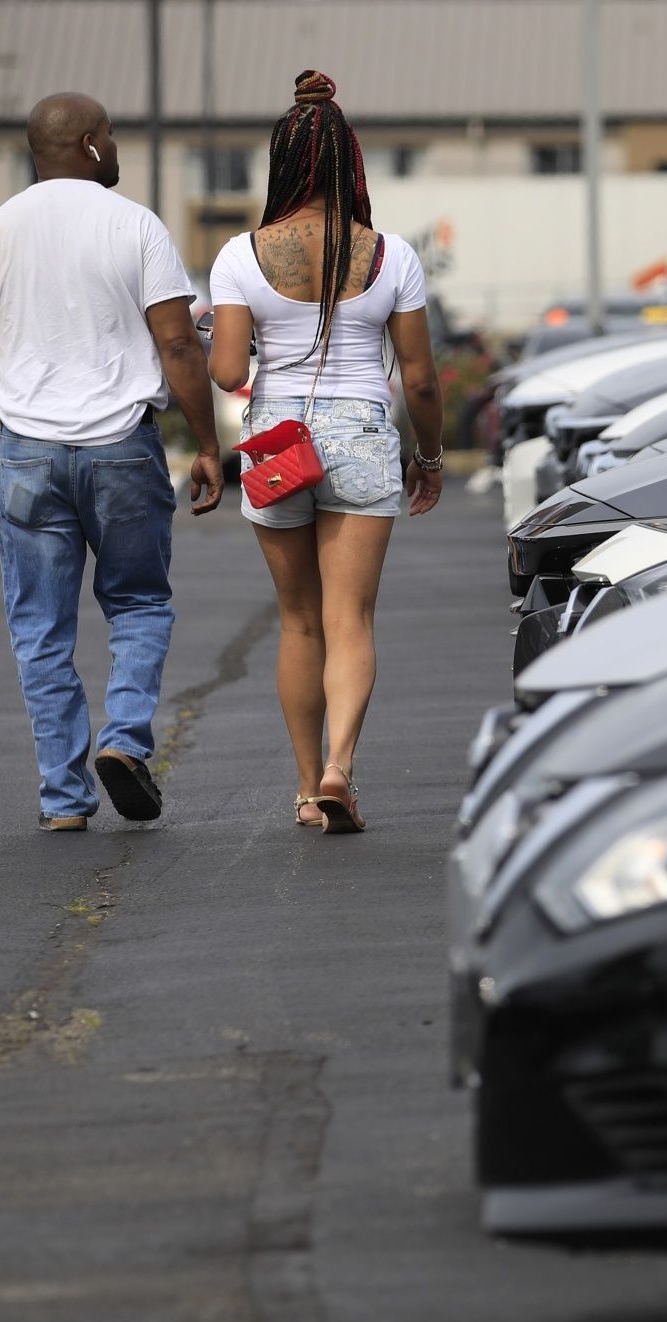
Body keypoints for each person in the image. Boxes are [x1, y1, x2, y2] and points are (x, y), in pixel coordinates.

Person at [0, 92, 225, 833]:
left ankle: (63, 799)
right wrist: (206, 444)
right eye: (113, 136)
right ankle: (126, 741)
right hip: (120, 449)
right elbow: (176, 345)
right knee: (138, 603)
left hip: (28, 453)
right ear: (92, 143)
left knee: (40, 628)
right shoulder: (134, 225)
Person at [208, 70, 443, 835]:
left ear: (282, 162)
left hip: (279, 444)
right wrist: (431, 459)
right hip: (365, 437)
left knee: (299, 620)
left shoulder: (241, 255)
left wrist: (218, 334)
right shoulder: (393, 256)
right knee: (352, 621)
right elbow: (421, 378)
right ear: (351, 163)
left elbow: (231, 375)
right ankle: (344, 766)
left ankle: (308, 789)